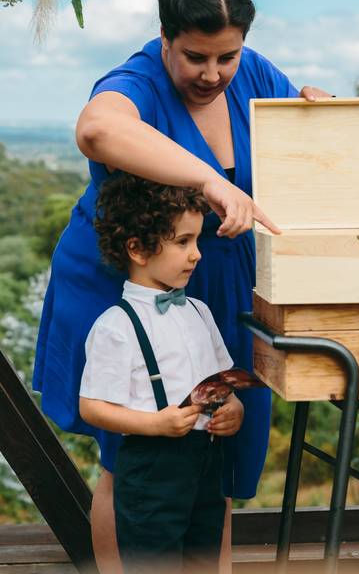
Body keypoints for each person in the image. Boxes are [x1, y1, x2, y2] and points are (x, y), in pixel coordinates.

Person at [31, 0, 329, 572]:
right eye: (195, 57)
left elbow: (298, 135)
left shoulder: (254, 73)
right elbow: (96, 130)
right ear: (165, 38)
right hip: (127, 283)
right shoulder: (134, 80)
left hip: (217, 287)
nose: (213, 74)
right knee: (131, 456)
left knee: (216, 445)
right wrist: (208, 184)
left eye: (228, 56)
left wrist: (324, 115)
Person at [80, 174, 241, 573]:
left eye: (197, 241)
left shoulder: (199, 312)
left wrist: (233, 408)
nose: (197, 254)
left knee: (203, 556)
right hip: (152, 474)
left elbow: (222, 380)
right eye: (183, 242)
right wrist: (155, 424)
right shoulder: (116, 326)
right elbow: (92, 407)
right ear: (137, 248)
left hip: (206, 465)